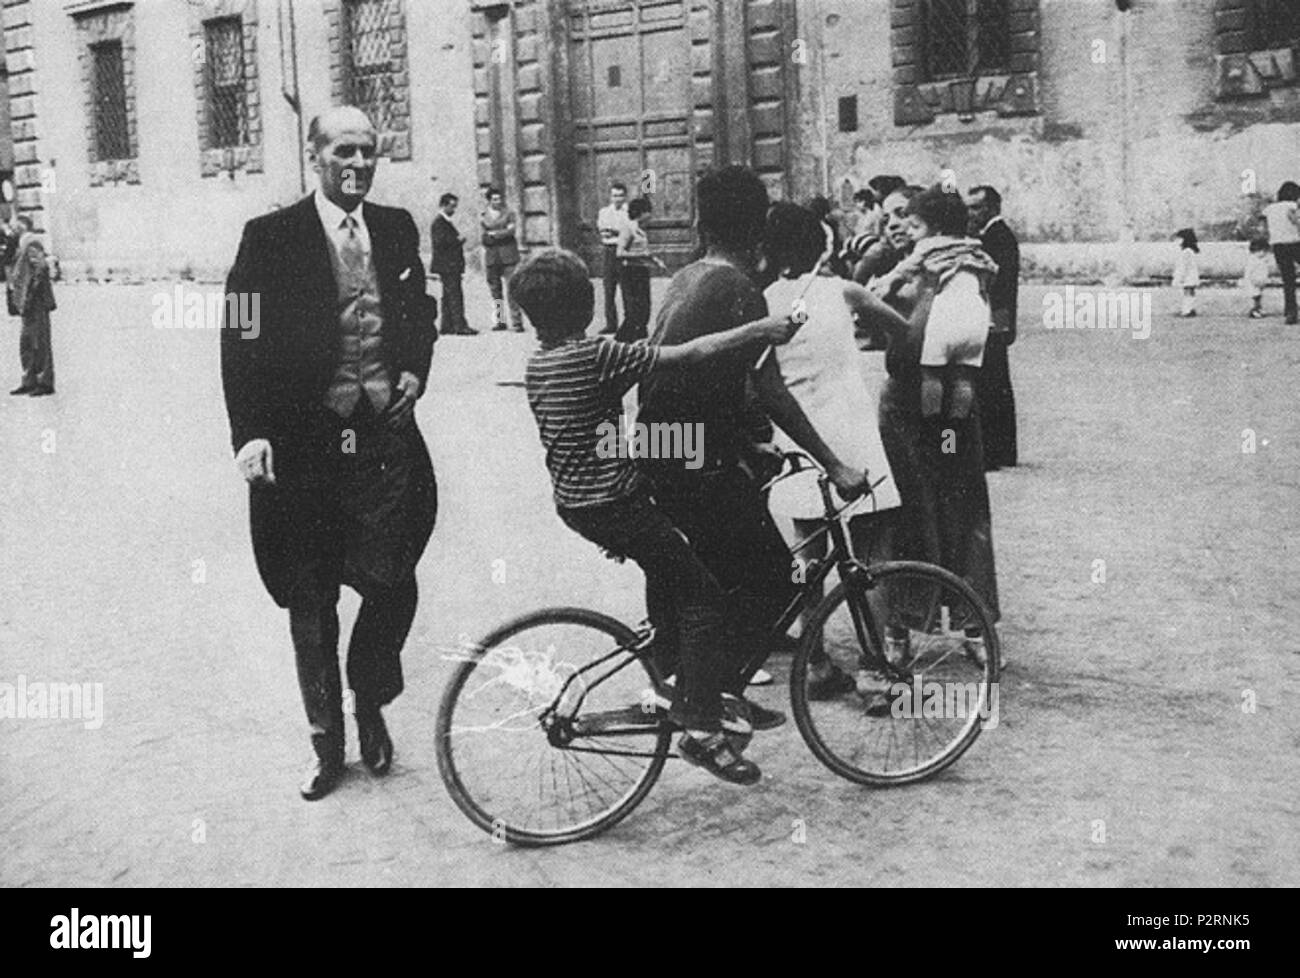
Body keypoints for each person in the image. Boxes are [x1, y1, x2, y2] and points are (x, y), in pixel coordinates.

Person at [220, 106, 439, 801]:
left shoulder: (397, 229)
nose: (359, 165)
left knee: (393, 577)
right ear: (314, 156)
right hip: (302, 443)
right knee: (310, 596)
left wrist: (412, 369)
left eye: (369, 152)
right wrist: (250, 432)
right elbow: (238, 335)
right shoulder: (270, 237)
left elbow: (419, 315)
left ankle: (369, 697)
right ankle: (327, 743)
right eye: (344, 151)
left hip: (382, 437)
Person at [518, 247, 800, 784]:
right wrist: (760, 329)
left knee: (675, 575)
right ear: (587, 303)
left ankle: (693, 687)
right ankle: (701, 728)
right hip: (613, 502)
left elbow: (589, 434)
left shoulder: (539, 365)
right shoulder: (597, 356)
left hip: (579, 503)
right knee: (705, 598)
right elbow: (689, 354)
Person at [637, 165, 873, 772]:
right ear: (759, 230)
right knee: (776, 578)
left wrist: (748, 445)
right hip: (698, 459)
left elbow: (706, 375)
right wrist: (836, 463)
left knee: (705, 575)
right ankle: (704, 711)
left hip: (665, 447)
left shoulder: (687, 275)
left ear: (698, 221)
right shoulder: (742, 290)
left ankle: (697, 690)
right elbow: (768, 387)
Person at [761, 203, 907, 701]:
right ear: (819, 244)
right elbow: (901, 327)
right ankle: (874, 666)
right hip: (852, 431)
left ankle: (816, 659)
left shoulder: (766, 302)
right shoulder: (842, 290)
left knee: (809, 552)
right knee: (872, 552)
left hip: (799, 440)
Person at [856, 187, 1002, 668]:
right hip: (904, 402)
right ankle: (898, 626)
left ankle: (974, 624)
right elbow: (866, 311)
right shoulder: (894, 268)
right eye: (890, 216)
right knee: (902, 512)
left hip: (951, 411)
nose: (896, 224)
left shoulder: (953, 262)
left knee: (963, 505)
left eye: (906, 216)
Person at [872, 186, 997, 421]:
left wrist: (887, 285)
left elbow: (902, 271)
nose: (902, 229)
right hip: (975, 317)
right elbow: (991, 270)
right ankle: (955, 423)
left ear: (935, 227)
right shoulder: (973, 247)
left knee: (931, 375)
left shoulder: (927, 249)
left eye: (914, 226)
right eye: (887, 218)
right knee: (964, 376)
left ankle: (935, 421)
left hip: (945, 321)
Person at [966, 184, 1020, 470]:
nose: (972, 213)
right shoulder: (993, 235)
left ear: (992, 208)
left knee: (992, 384)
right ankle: (1001, 451)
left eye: (976, 207)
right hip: (997, 316)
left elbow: (999, 286)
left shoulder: (997, 237)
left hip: (995, 316)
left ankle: (995, 452)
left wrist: (997, 325)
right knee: (995, 383)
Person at [8, 214, 56, 397]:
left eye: (14, 225)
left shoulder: (31, 243)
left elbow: (40, 268)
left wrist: (30, 294)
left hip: (36, 303)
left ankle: (45, 382)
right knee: (27, 343)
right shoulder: (21, 244)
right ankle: (29, 380)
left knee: (40, 342)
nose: (10, 228)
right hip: (27, 304)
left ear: (22, 226)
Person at [614, 196, 664, 342]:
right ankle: (622, 341)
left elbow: (644, 252)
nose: (650, 215)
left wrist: (655, 261)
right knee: (633, 311)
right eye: (648, 211)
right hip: (630, 272)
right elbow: (620, 253)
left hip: (642, 271)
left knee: (645, 309)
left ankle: (639, 340)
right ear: (640, 213)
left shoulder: (641, 230)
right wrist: (642, 254)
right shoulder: (628, 229)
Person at [429, 191, 475, 335]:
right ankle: (459, 326)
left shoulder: (443, 222)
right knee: (455, 295)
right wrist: (458, 240)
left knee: (448, 295)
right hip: (448, 266)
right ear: (443, 205)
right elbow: (440, 242)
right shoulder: (439, 222)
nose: (454, 210)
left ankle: (447, 325)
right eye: (452, 206)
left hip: (448, 265)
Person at [481, 186, 523, 331]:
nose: (497, 201)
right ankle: (500, 321)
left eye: (499, 198)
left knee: (512, 289)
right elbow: (484, 237)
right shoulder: (483, 215)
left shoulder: (509, 213)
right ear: (489, 200)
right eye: (494, 199)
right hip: (492, 258)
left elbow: (511, 232)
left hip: (509, 257)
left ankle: (517, 322)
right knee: (495, 292)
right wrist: (499, 233)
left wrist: (494, 234)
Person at [1264, 182, 1300, 324]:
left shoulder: (1270, 209)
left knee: (1288, 279)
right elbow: (1295, 221)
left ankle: (1290, 311)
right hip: (1295, 243)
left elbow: (1265, 228)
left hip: (1278, 245)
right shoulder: (1291, 206)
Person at [597, 182, 630, 334]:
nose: (617, 199)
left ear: (625, 197)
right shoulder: (604, 212)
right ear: (610, 197)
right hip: (609, 251)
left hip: (623, 250)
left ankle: (628, 323)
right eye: (614, 195)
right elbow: (603, 231)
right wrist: (618, 232)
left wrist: (616, 232)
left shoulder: (629, 211)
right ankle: (611, 324)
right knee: (608, 289)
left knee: (627, 289)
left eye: (620, 195)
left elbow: (629, 232)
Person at [1172, 228, 1199, 318]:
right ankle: (1190, 309)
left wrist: (1179, 278)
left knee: (1187, 293)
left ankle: (1186, 311)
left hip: (1188, 277)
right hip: (1192, 276)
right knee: (1190, 293)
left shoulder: (1186, 252)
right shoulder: (1191, 251)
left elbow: (1183, 267)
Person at [1242, 237, 1271, 318]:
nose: (1264, 253)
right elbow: (1249, 273)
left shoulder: (1261, 260)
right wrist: (1253, 280)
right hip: (1253, 283)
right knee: (1254, 297)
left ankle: (1258, 308)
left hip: (1259, 282)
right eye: (1262, 251)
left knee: (1259, 296)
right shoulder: (1253, 260)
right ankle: (1254, 310)